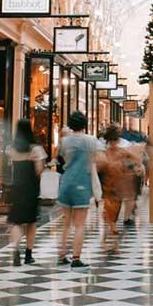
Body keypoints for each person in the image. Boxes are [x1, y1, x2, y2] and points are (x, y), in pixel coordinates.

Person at [57, 111, 99, 268]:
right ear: (84, 124)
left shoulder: (64, 141)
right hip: (81, 183)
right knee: (80, 224)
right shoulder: (90, 141)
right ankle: (76, 258)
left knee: (66, 223)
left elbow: (62, 159)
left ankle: (61, 255)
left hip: (66, 183)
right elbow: (94, 160)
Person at [6, 118, 46, 266]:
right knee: (31, 222)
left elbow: (9, 167)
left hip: (17, 187)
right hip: (31, 189)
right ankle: (28, 254)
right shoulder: (36, 149)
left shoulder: (11, 149)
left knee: (17, 221)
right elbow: (39, 170)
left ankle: (15, 250)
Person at [96, 126, 141, 254]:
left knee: (113, 214)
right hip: (108, 187)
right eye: (114, 140)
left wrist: (133, 168)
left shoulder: (118, 152)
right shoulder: (105, 153)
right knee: (110, 213)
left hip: (116, 187)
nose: (115, 142)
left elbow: (136, 159)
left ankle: (111, 241)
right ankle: (110, 241)